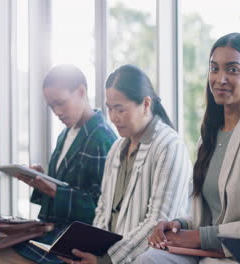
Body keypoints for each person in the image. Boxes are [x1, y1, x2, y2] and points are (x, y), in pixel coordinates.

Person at [137, 33, 240, 264]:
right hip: (210, 253)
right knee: (149, 259)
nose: (220, 78)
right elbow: (216, 214)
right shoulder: (209, 137)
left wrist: (201, 236)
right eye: (214, 68)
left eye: (232, 70)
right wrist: (180, 225)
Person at [58, 64, 192, 264]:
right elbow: (103, 211)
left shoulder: (170, 146)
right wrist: (90, 250)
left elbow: (158, 222)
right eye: (110, 109)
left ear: (146, 104)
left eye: (120, 109)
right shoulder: (117, 148)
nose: (113, 117)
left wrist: (106, 260)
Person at [0, 65, 117, 264]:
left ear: (81, 92)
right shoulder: (65, 135)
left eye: (61, 103)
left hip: (71, 242)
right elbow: (62, 189)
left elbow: (104, 211)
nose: (57, 112)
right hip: (50, 231)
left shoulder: (103, 139)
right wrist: (40, 184)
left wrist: (54, 192)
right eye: (52, 106)